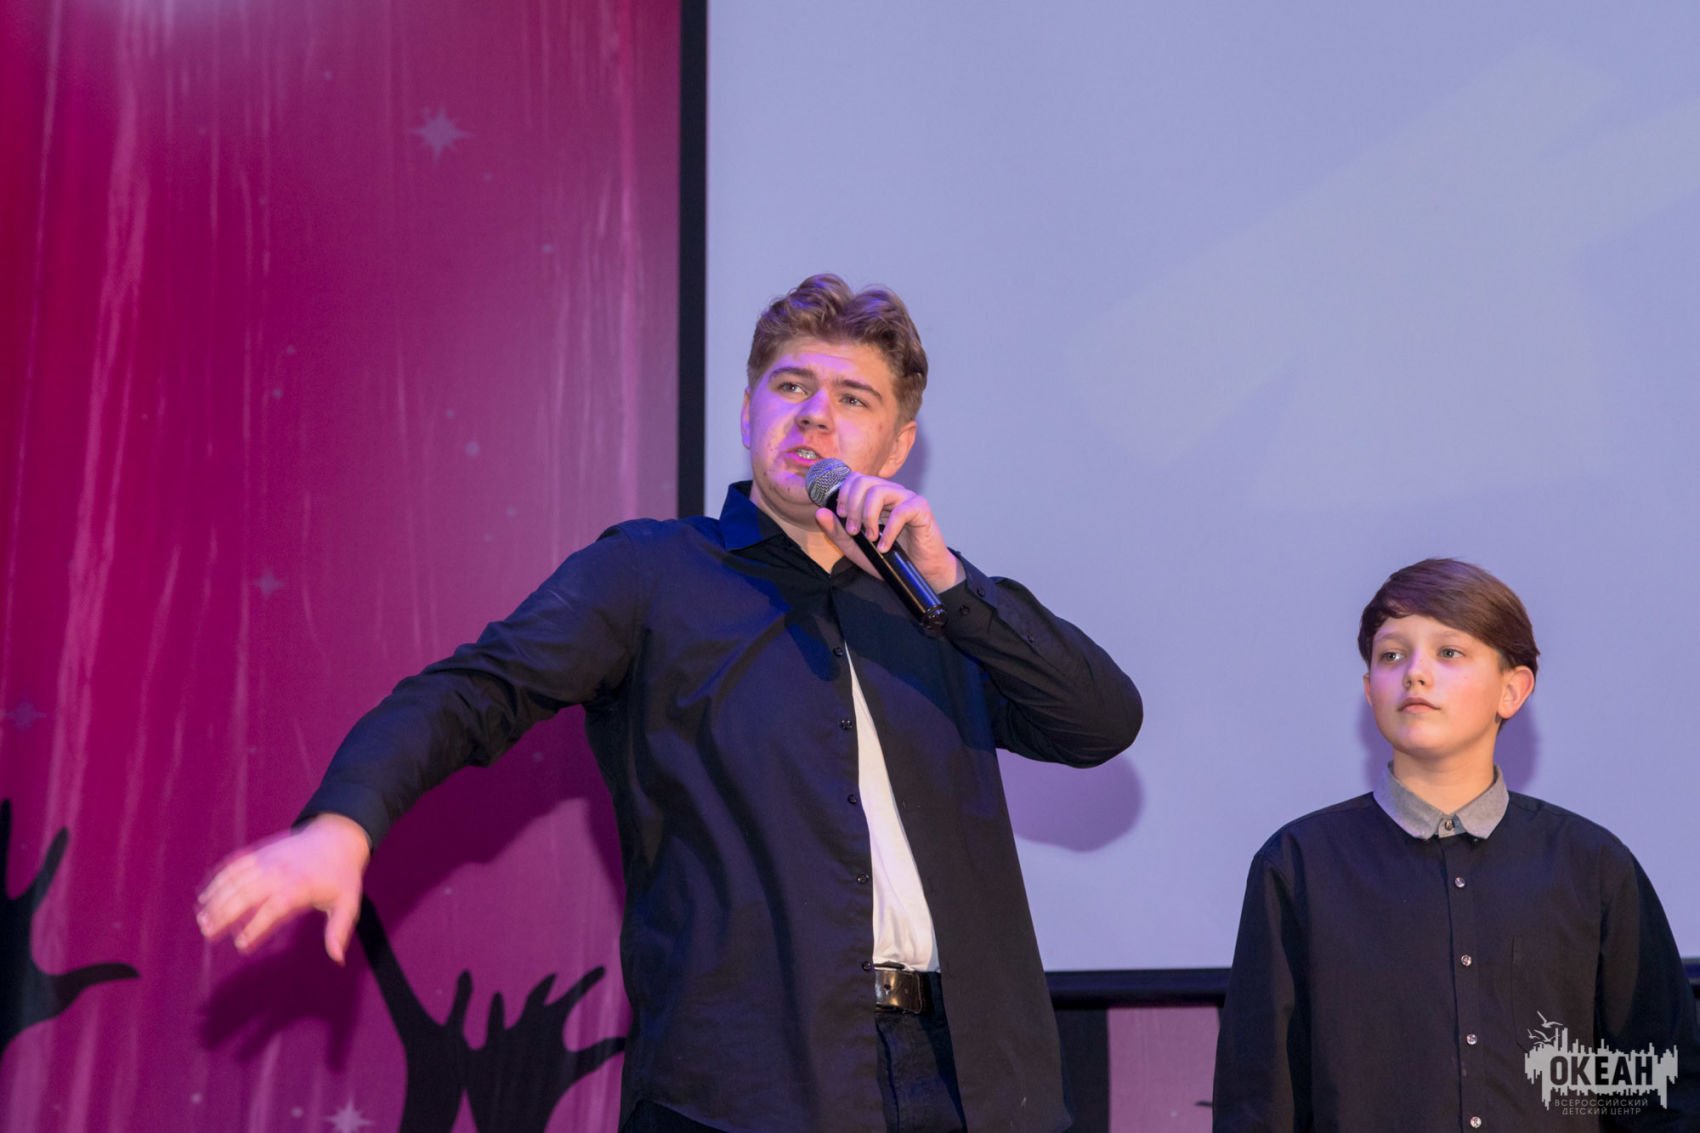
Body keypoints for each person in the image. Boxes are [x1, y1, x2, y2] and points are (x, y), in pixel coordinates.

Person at [197, 274, 1143, 1132]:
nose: (815, 415)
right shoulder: (651, 574)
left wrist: (954, 588)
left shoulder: (940, 604)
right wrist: (343, 824)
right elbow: (472, 691)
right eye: (791, 386)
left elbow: (1101, 721)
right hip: (748, 1093)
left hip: (975, 1084)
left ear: (897, 447)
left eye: (853, 399)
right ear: (747, 412)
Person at [1212, 558, 1700, 1130]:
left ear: (1512, 690)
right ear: (1369, 691)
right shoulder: (1299, 865)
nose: (1415, 674)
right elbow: (1259, 1101)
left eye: (1448, 652)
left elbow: (1658, 1093)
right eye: (1391, 656)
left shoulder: (1591, 866)